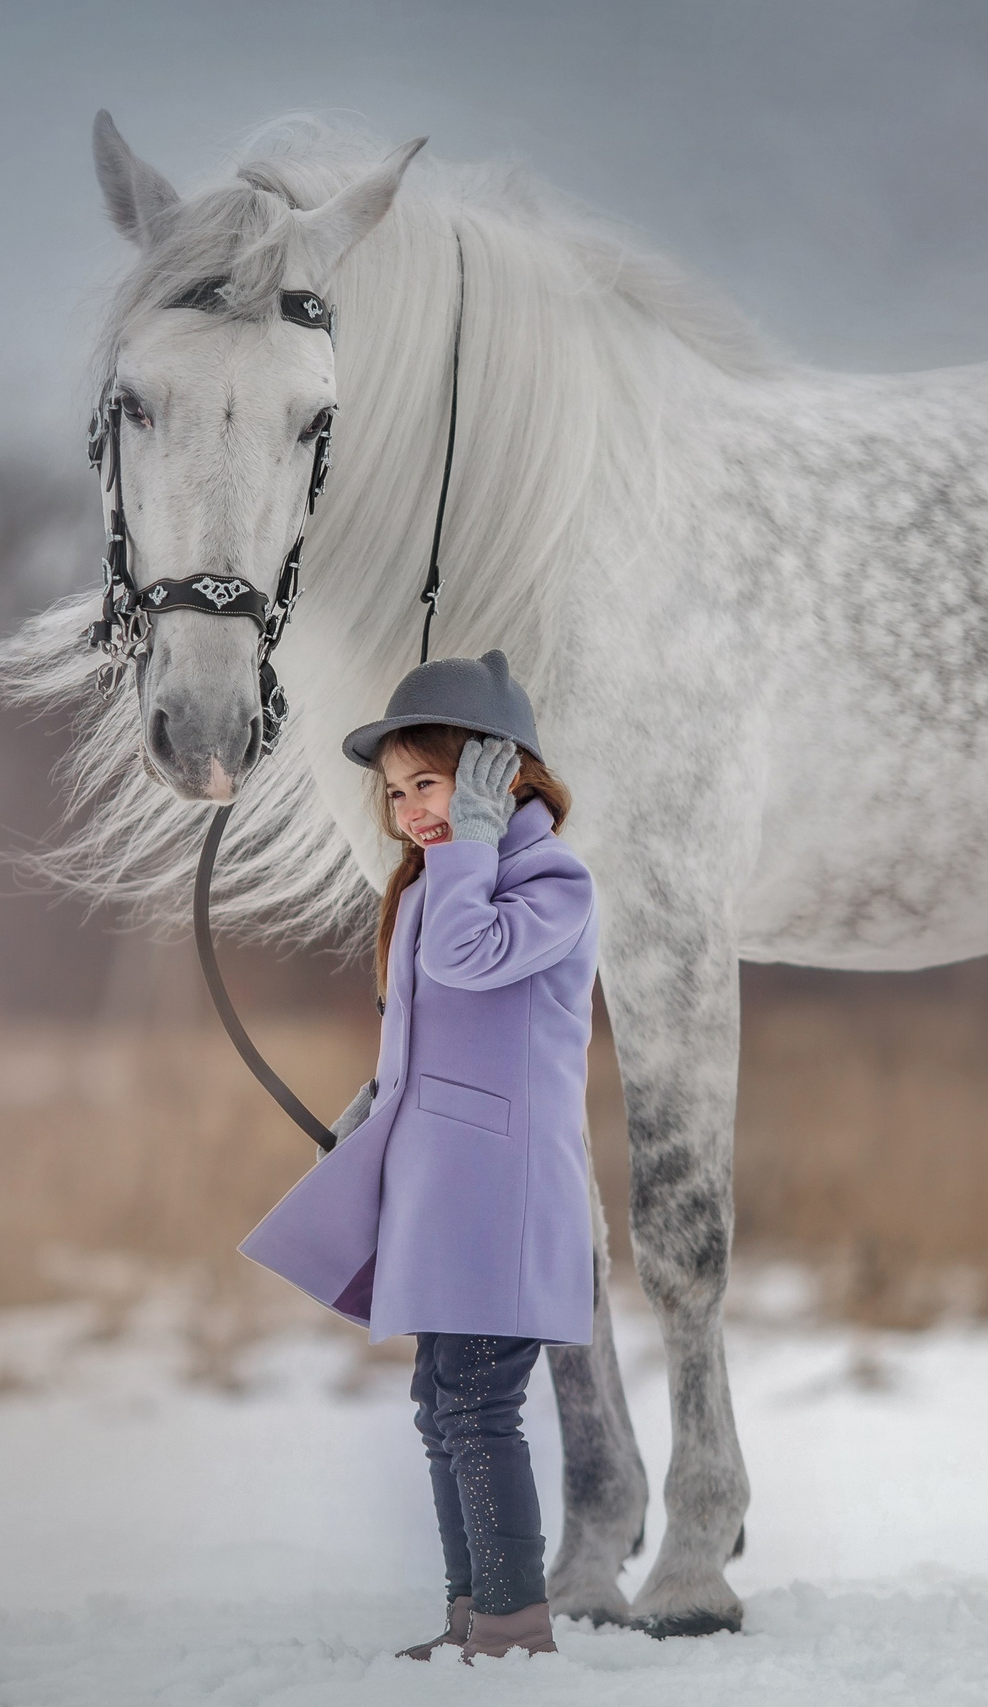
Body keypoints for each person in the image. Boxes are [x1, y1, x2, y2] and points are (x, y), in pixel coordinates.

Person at [239, 649, 598, 1664]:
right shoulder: (435, 884)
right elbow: (426, 1030)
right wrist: (374, 1110)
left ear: (498, 772)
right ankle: (471, 1616)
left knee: (480, 1402)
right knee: (442, 1404)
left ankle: (514, 1629)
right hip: (442, 1194)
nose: (409, 811)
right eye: (395, 794)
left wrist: (471, 839)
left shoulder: (552, 883)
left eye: (429, 784)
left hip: (503, 1199)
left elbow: (468, 959)